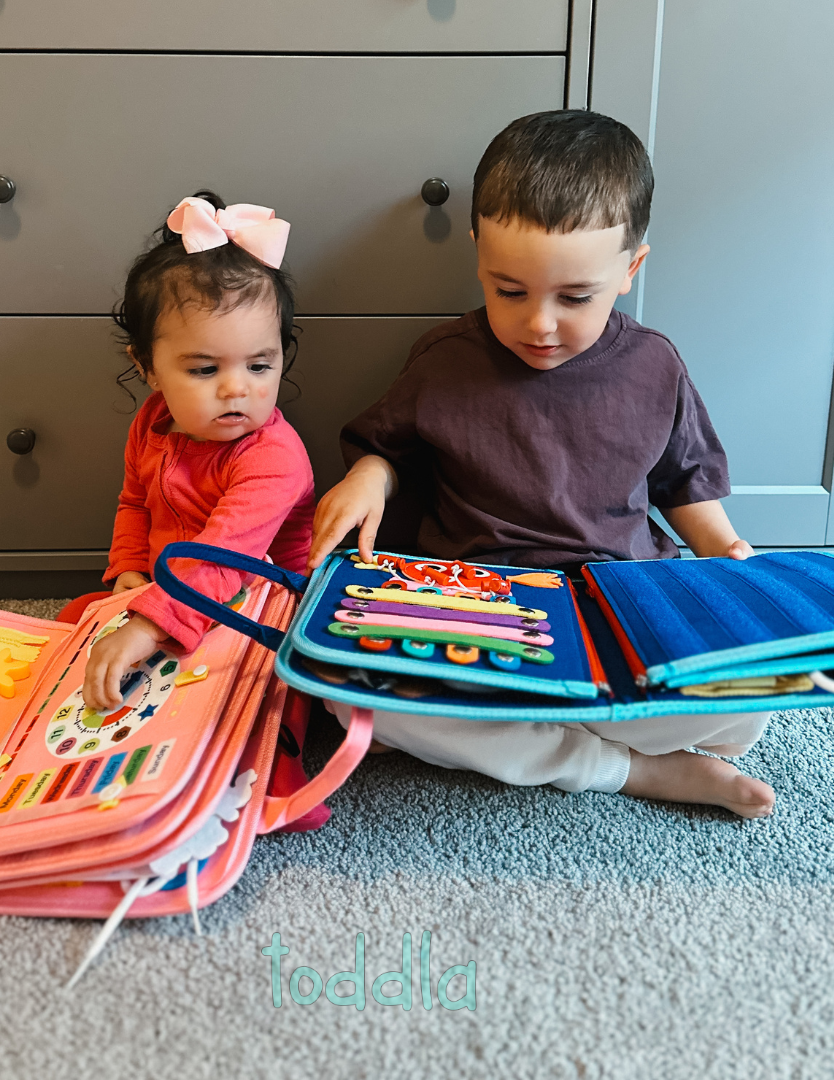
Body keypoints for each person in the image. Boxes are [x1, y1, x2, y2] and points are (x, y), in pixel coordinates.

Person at [308, 111, 776, 819]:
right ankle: (623, 769)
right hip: (479, 614)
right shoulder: (445, 360)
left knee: (750, 707)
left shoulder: (654, 365)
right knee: (344, 696)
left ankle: (539, 735)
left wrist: (724, 554)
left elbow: (684, 482)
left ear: (631, 269)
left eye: (575, 298)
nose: (540, 324)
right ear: (478, 256)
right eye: (510, 291)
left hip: (616, 609)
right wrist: (367, 476)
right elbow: (389, 447)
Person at [70, 194, 323, 825]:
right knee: (77, 623)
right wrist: (129, 571)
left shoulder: (273, 458)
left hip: (260, 604)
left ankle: (272, 771)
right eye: (205, 369)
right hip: (172, 590)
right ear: (149, 368)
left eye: (260, 365)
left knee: (267, 681)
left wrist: (146, 625)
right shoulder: (153, 422)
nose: (237, 388)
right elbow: (134, 501)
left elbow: (223, 560)